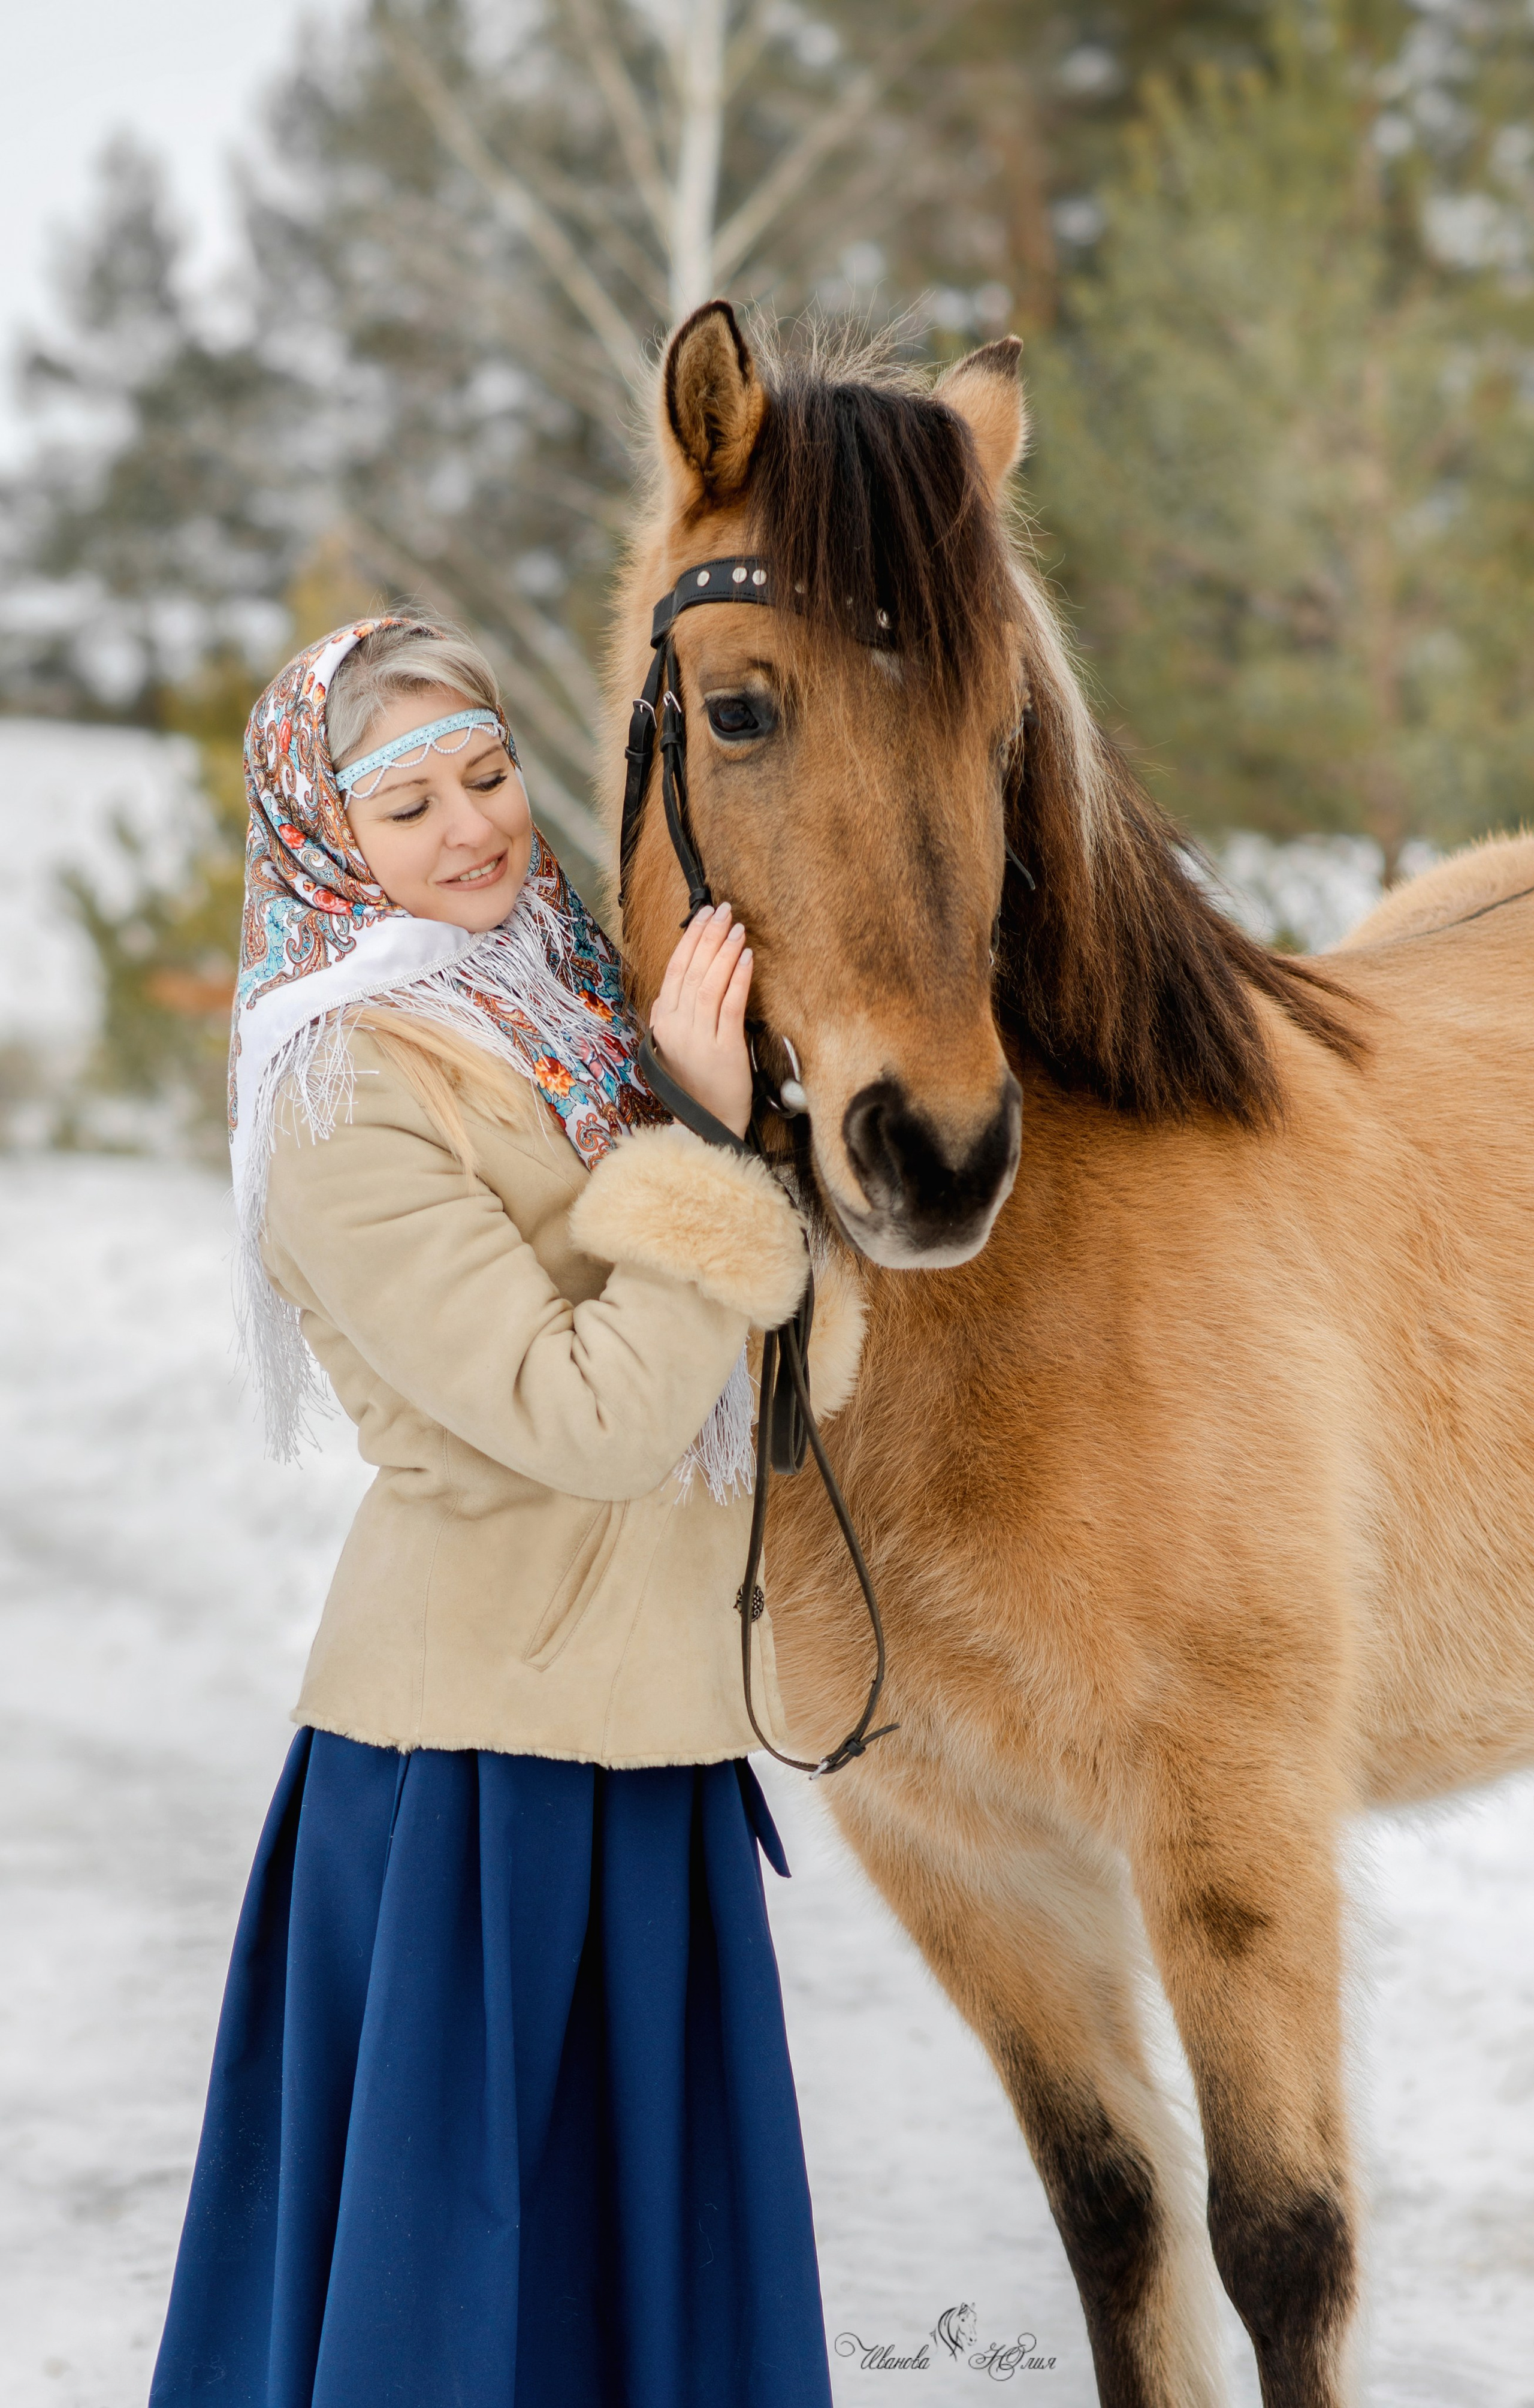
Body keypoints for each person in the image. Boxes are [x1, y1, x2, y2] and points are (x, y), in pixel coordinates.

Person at [147, 614, 849, 2407]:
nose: (471, 829)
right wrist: (704, 1151)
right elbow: (588, 1417)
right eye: (407, 806)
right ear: (324, 835)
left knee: (642, 2293)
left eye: (487, 774)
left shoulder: (567, 997)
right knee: (456, 2307)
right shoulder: (339, 1086)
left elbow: (760, 1356)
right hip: (473, 1770)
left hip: (648, 1734)